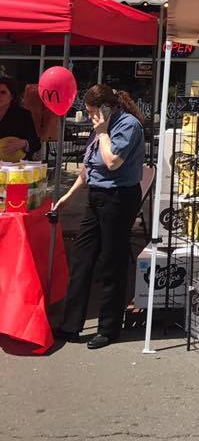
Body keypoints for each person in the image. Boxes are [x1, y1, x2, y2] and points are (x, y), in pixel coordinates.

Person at [54, 84, 145, 349]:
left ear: (106, 108)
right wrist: (68, 196)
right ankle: (71, 325)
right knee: (82, 258)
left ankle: (109, 328)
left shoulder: (128, 126)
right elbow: (88, 166)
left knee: (111, 262)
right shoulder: (99, 128)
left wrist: (103, 132)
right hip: (96, 196)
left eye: (93, 112)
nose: (91, 116)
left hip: (118, 197)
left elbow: (112, 161)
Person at [0, 76, 40, 160]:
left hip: (16, 168)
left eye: (3, 92)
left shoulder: (23, 115)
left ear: (11, 96)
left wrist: (23, 143)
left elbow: (36, 144)